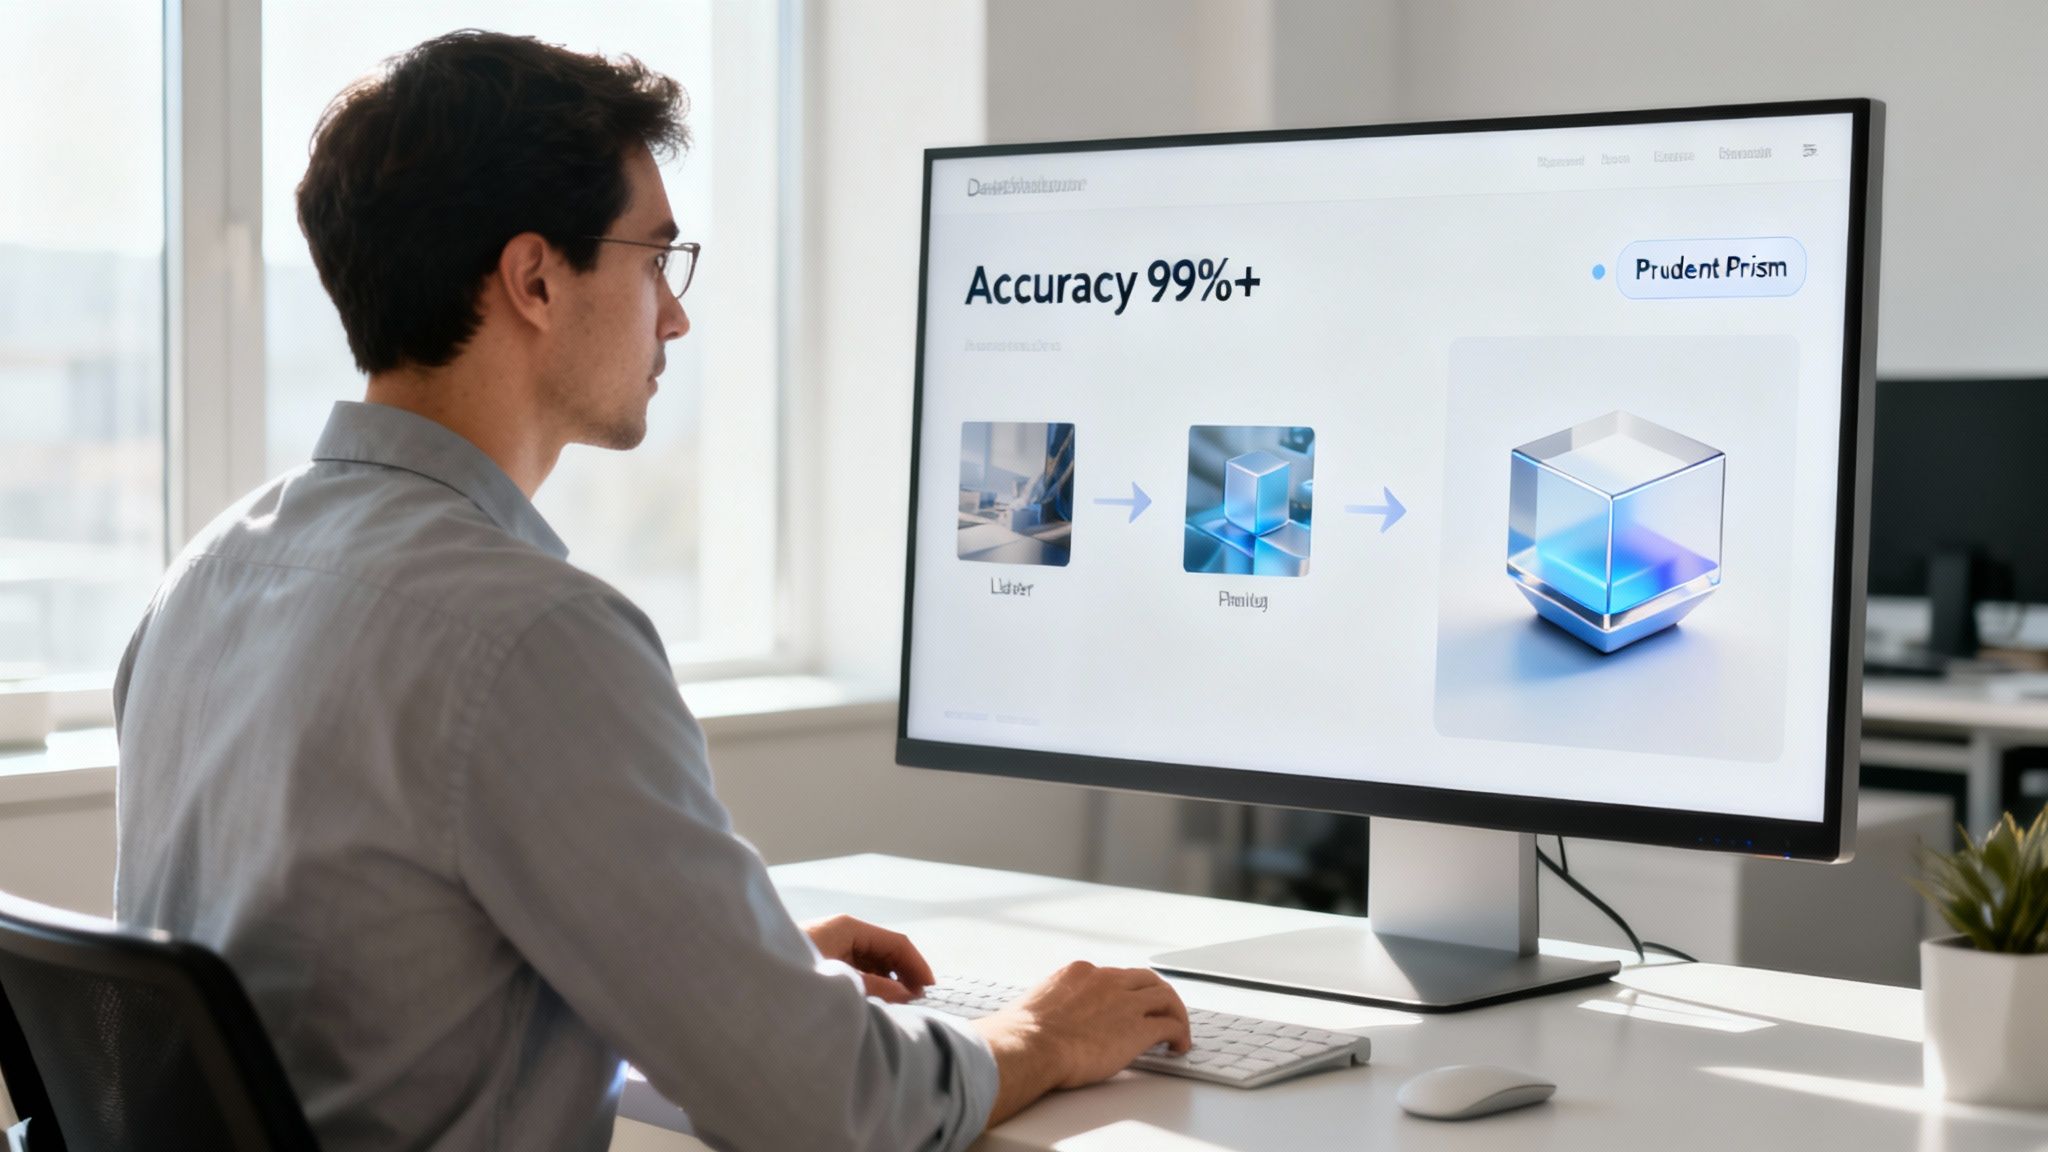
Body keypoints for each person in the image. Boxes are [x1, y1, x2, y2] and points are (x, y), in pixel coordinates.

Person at [112, 29, 1188, 1152]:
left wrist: (725, 975)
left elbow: (360, 991)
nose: (673, 314)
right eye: (653, 260)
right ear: (535, 279)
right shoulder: (530, 636)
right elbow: (831, 1109)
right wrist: (1038, 1036)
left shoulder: (204, 577)